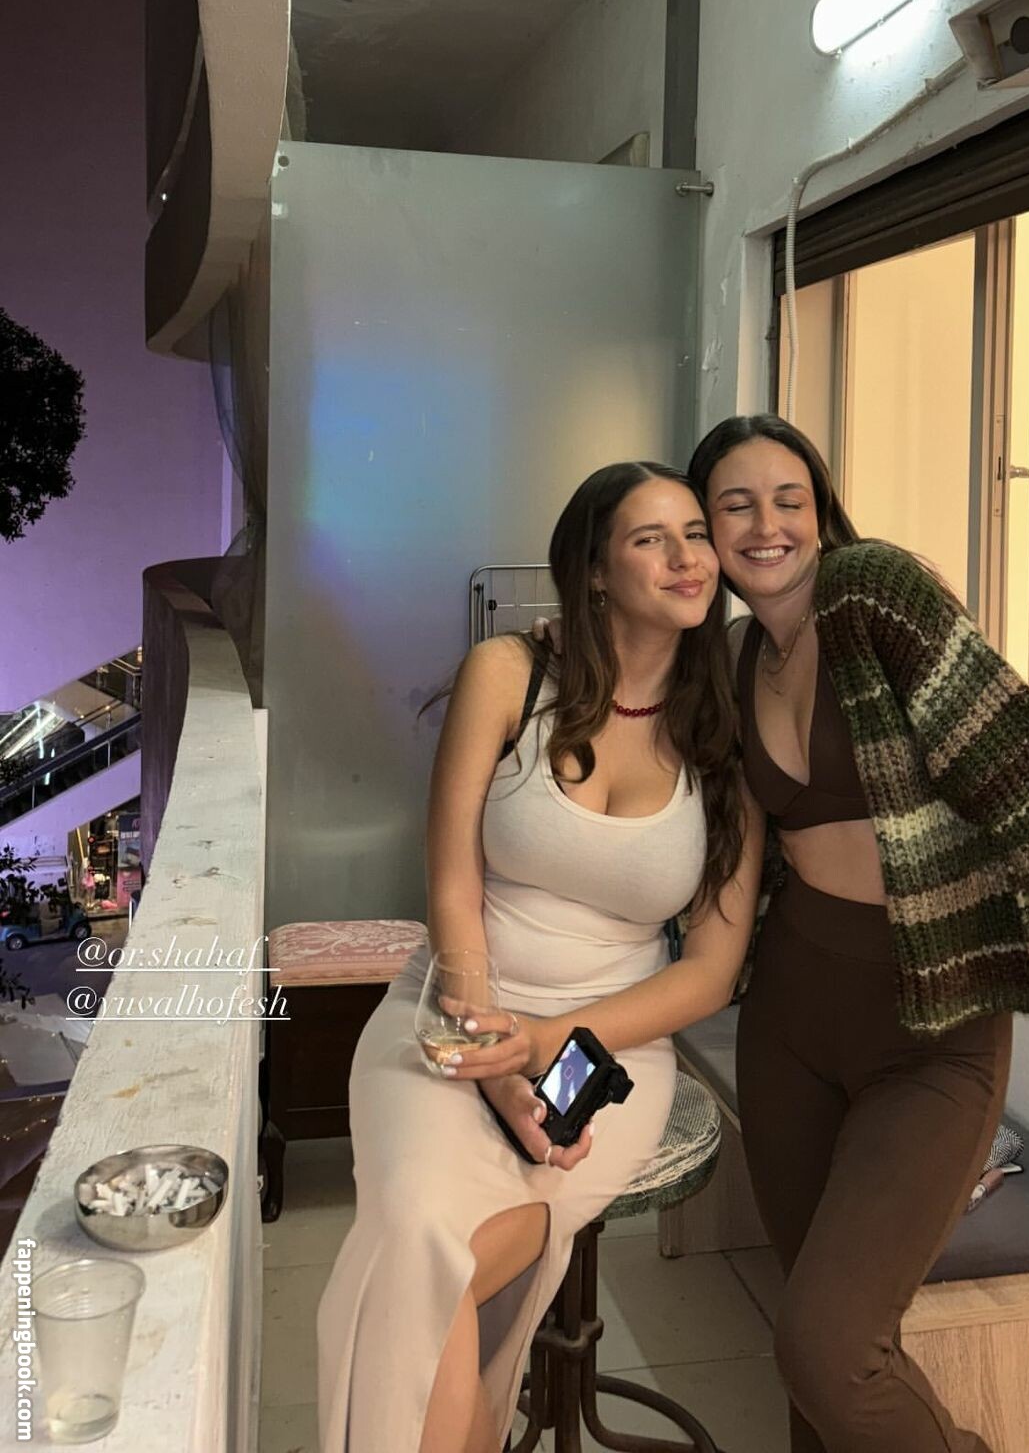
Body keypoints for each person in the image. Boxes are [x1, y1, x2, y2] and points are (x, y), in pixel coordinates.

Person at [317, 461, 765, 1453]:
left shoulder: (725, 731)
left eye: (696, 533)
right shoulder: (509, 674)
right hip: (452, 1008)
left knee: (435, 1264)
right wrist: (490, 1048)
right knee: (420, 1237)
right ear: (595, 569)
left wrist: (547, 1042)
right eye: (651, 538)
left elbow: (708, 971)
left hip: (607, 1043)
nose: (687, 557)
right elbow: (451, 883)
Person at [687, 411, 1029, 1453]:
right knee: (814, 1354)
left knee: (829, 1348)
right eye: (735, 505)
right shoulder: (731, 658)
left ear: (820, 511)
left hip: (931, 1031)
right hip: (789, 1021)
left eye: (789, 499)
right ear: (707, 529)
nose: (766, 525)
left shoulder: (874, 593)